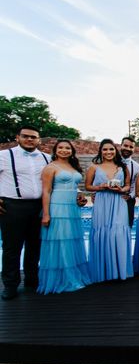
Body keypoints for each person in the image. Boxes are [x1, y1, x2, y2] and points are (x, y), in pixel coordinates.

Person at [0, 126, 50, 300]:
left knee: (35, 245)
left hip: (38, 206)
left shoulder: (46, 158)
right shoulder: (4, 156)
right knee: (11, 248)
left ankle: (31, 279)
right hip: (12, 206)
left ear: (38, 139)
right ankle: (10, 285)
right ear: (18, 137)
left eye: (33, 137)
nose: (29, 140)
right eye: (26, 136)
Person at [38, 140, 91, 294]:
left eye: (67, 148)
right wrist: (46, 214)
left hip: (72, 209)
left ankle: (73, 275)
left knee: (71, 240)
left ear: (72, 151)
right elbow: (46, 191)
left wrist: (80, 199)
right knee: (60, 241)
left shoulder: (73, 166)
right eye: (60, 147)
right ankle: (62, 278)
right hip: (57, 207)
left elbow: (74, 189)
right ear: (55, 150)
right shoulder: (50, 167)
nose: (64, 150)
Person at [85, 139, 133, 283]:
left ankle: (120, 270)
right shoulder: (94, 167)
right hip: (102, 202)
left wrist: (121, 189)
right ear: (101, 151)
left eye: (111, 149)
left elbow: (128, 186)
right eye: (105, 150)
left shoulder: (123, 167)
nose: (108, 152)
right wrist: (101, 187)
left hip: (118, 202)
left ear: (115, 150)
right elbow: (88, 186)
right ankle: (104, 270)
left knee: (118, 232)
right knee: (102, 232)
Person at [120, 136, 139, 227]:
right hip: (111, 198)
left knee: (127, 225)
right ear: (121, 146)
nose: (128, 149)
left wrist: (130, 196)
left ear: (134, 149)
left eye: (131, 147)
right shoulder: (111, 163)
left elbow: (137, 185)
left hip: (128, 201)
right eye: (125, 145)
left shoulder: (138, 167)